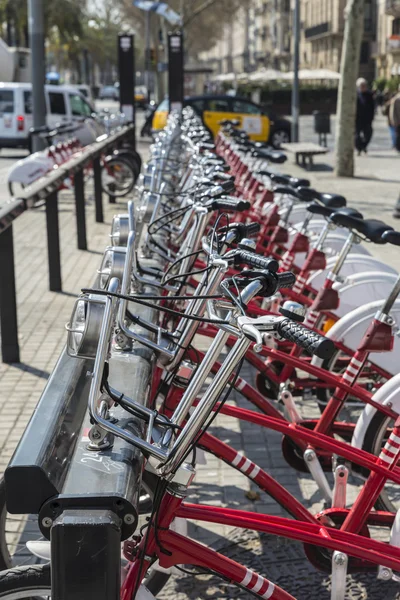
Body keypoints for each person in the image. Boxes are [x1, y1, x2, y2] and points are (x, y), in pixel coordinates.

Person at [355, 78, 375, 155]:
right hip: (357, 119)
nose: (363, 87)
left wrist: (372, 117)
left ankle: (363, 146)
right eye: (361, 85)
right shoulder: (356, 94)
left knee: (368, 134)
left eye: (364, 85)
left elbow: (372, 107)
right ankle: (359, 148)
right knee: (356, 136)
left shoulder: (369, 95)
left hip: (367, 119)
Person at [389, 85, 400, 151]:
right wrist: (395, 122)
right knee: (398, 136)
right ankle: (397, 147)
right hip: (398, 122)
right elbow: (392, 112)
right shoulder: (396, 99)